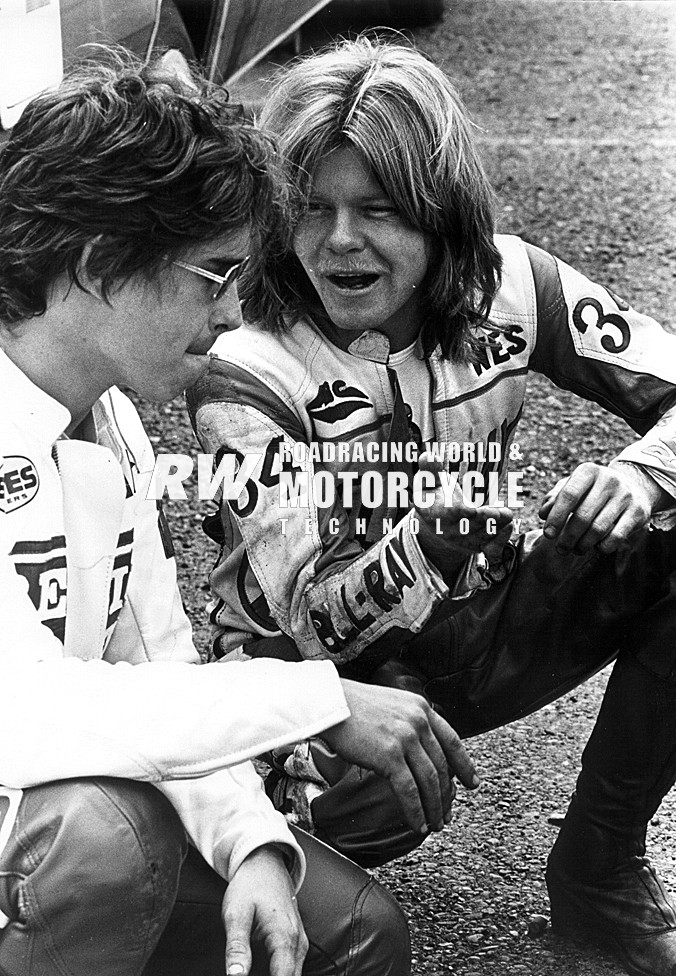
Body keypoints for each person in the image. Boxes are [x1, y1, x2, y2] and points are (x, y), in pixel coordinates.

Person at [188, 35, 676, 976]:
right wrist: (434, 534)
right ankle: (249, 881)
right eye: (311, 210)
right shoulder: (243, 367)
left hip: (486, 624)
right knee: (379, 803)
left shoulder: (516, 282)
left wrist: (645, 472)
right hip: (317, 681)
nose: (339, 242)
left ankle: (600, 865)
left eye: (377, 210)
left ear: (441, 214)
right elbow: (318, 626)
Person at [0, 48, 481, 976]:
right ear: (101, 263)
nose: (231, 313)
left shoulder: (109, 415)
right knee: (105, 836)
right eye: (212, 275)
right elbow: (19, 707)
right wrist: (313, 700)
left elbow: (160, 660)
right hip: (53, 827)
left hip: (56, 818)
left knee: (353, 933)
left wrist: (253, 841)